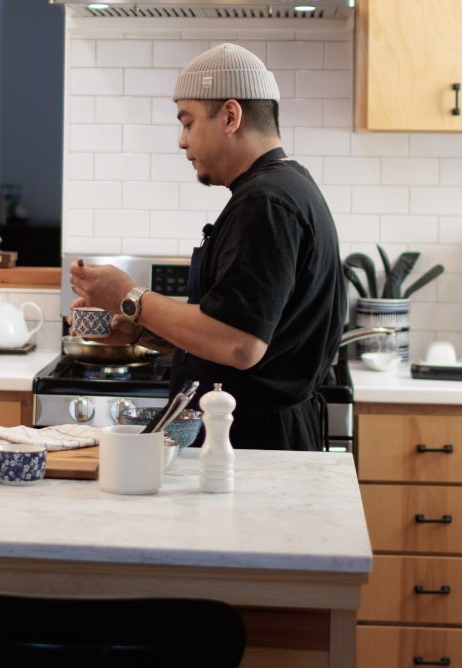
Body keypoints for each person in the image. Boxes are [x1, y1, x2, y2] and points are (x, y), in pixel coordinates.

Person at [69, 43, 345, 451]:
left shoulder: (266, 202)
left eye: (188, 122)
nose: (182, 141)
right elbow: (230, 332)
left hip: (250, 445)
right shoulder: (281, 189)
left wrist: (129, 297)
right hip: (244, 437)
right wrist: (143, 332)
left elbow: (241, 344)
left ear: (230, 116)